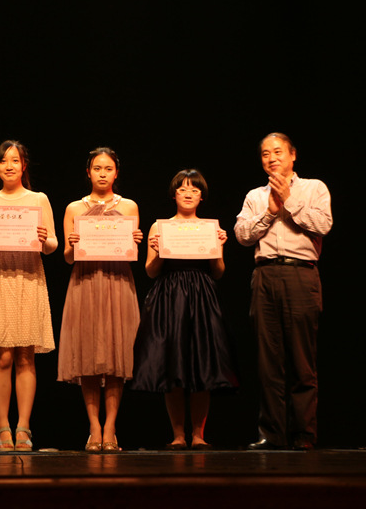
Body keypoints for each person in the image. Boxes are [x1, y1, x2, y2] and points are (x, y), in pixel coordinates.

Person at [234, 133, 332, 451]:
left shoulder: (314, 188)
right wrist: (269, 211)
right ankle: (272, 433)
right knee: (268, 360)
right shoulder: (255, 195)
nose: (271, 158)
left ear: (293, 155)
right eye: (265, 154)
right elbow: (242, 234)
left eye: (277, 152)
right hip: (265, 275)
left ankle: (304, 434)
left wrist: (289, 200)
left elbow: (323, 225)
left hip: (300, 273)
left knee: (302, 359)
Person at [129, 169, 239, 450]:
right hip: (169, 295)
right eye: (182, 189)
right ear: (174, 194)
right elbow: (151, 271)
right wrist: (157, 250)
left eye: (194, 189)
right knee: (172, 363)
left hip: (202, 295)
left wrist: (218, 246)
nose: (188, 194)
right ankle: (178, 435)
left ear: (202, 197)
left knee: (203, 364)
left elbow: (218, 272)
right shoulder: (159, 227)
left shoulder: (211, 228)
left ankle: (199, 435)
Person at [0, 141, 57, 452]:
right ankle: (2, 427)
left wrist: (45, 238)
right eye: (3, 161)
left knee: (25, 355)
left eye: (15, 160)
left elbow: (52, 246)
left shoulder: (38, 199)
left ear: (24, 166)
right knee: (3, 355)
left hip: (28, 276)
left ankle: (23, 426)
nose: (9, 166)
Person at [57, 147, 143, 453]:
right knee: (89, 355)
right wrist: (72, 244)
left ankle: (111, 428)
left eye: (108, 168)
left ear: (116, 173)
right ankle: (94, 427)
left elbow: (131, 255)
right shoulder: (73, 208)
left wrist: (134, 242)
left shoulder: (129, 206)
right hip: (85, 281)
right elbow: (68, 258)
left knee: (116, 356)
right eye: (97, 168)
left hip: (117, 282)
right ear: (88, 172)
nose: (102, 173)